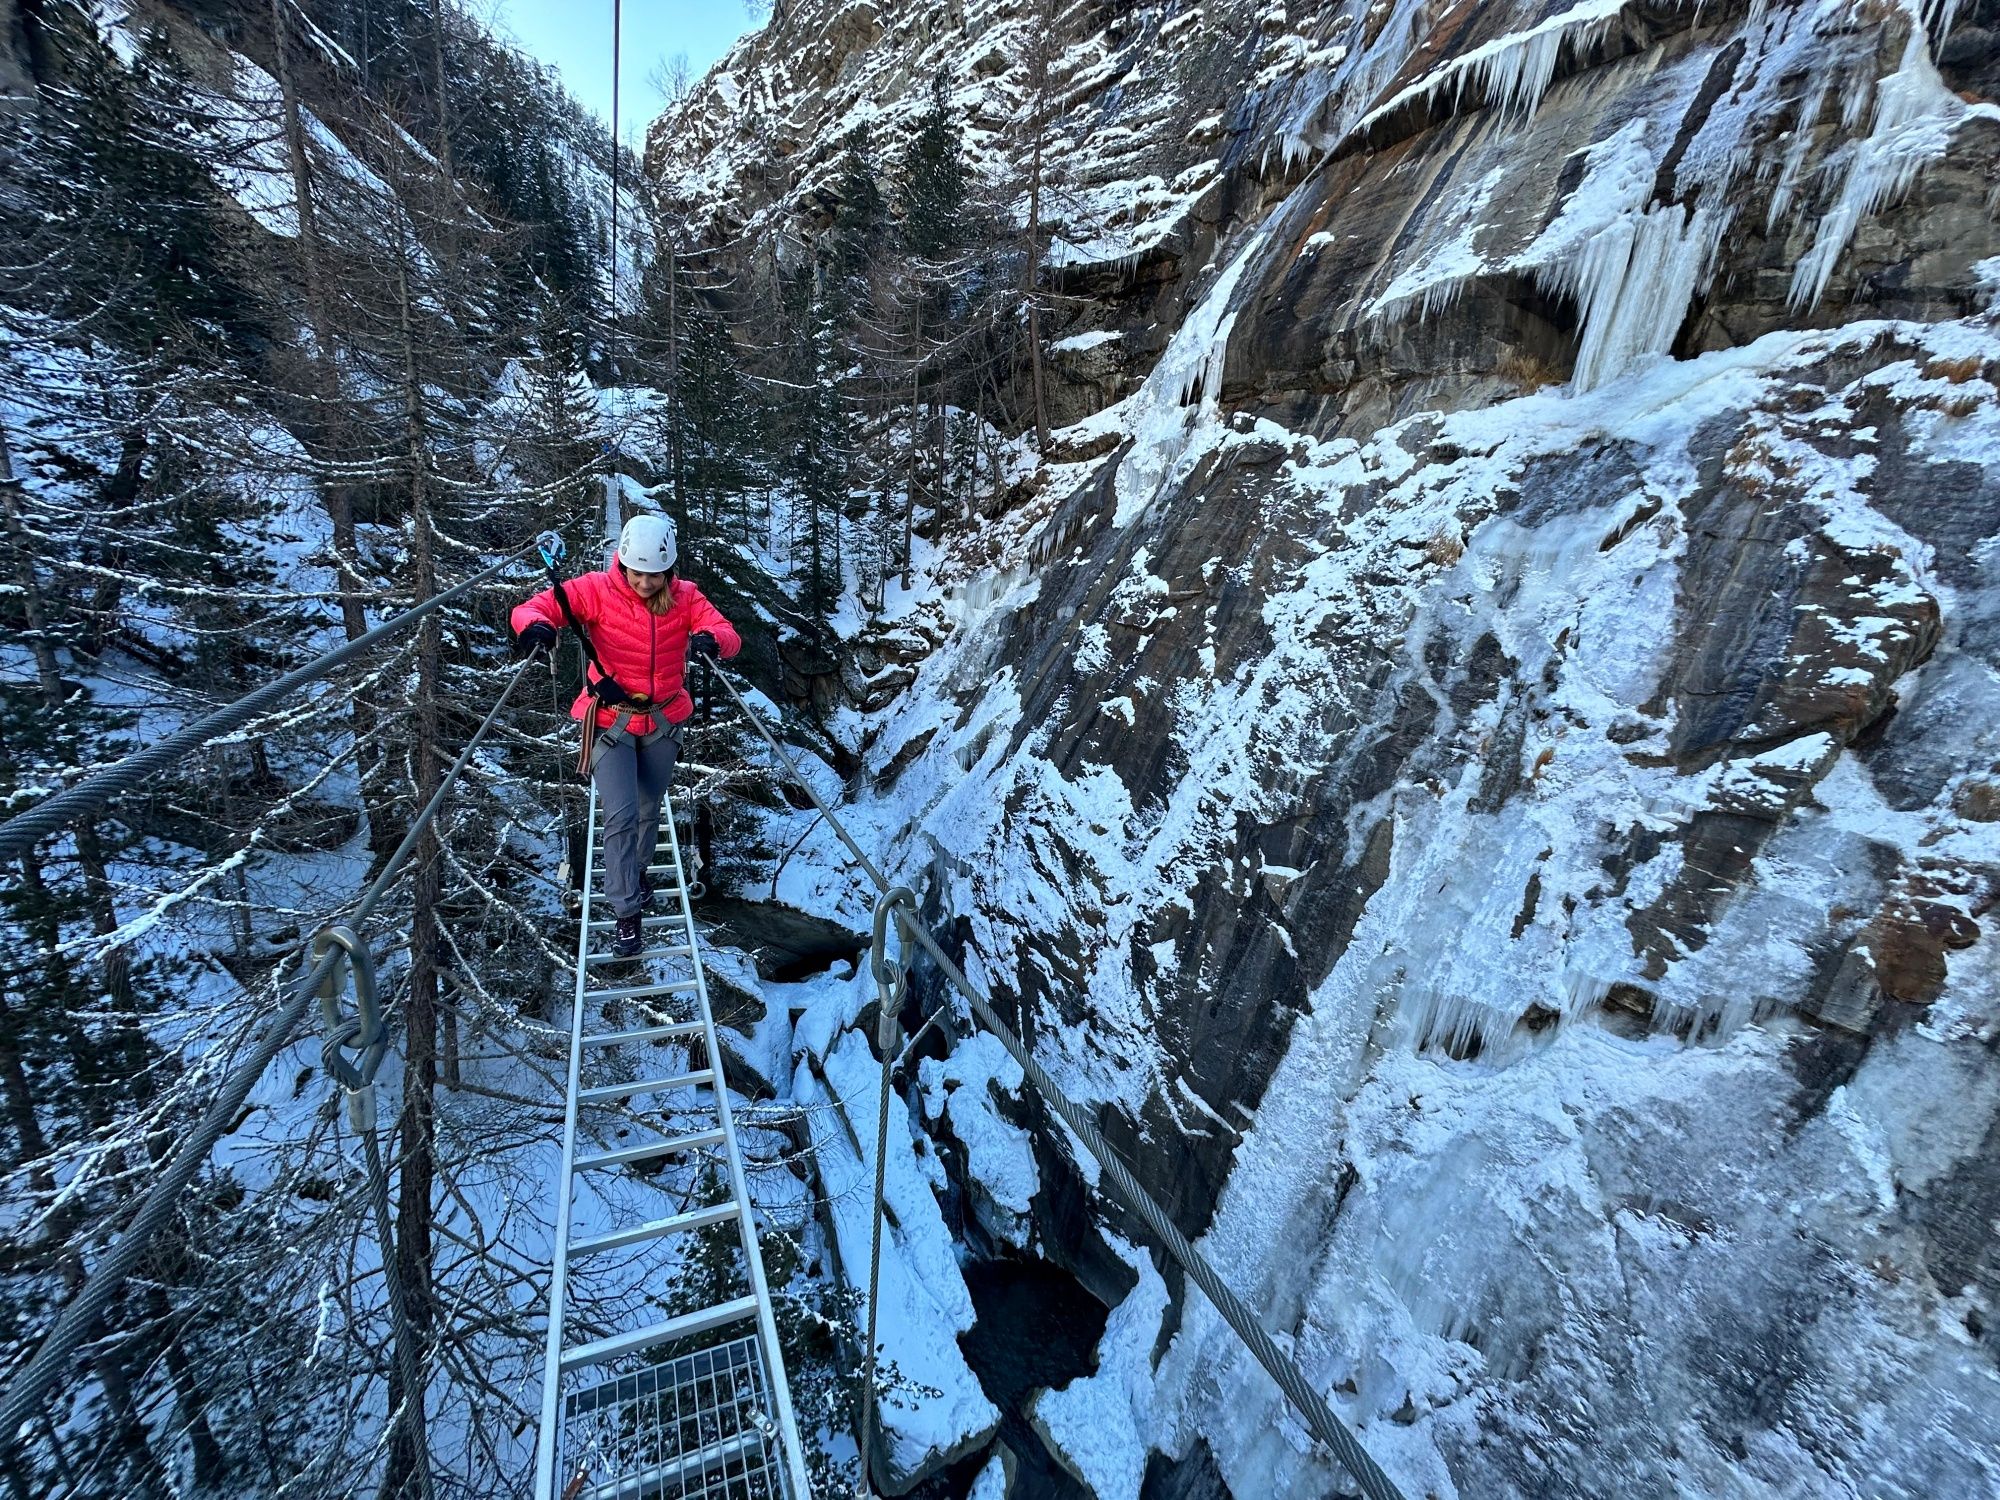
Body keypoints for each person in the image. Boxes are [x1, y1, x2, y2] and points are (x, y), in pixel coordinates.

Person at [512, 513, 740, 957]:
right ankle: (626, 912)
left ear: (668, 571)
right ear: (622, 563)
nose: (644, 582)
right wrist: (535, 627)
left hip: (661, 720)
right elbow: (536, 607)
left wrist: (712, 641)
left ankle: (634, 874)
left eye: (654, 575)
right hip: (608, 722)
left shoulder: (686, 597)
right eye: (636, 573)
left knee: (648, 810)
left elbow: (728, 633)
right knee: (619, 815)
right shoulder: (596, 589)